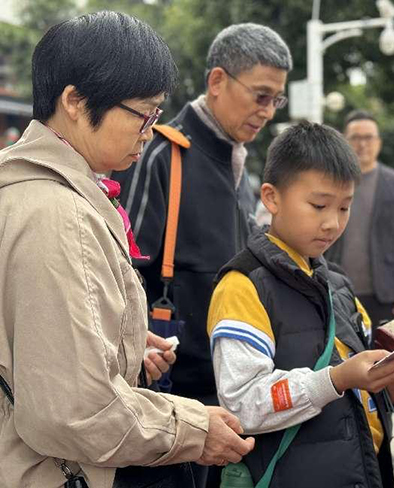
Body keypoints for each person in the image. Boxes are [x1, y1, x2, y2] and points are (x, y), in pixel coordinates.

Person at [0, 12, 253, 487]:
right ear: (75, 101)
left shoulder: (30, 192)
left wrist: (124, 344)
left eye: (157, 115)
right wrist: (193, 429)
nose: (149, 130)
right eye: (143, 113)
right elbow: (74, 411)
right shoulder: (60, 215)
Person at [208, 121, 394, 488]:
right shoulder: (242, 287)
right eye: (318, 205)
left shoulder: (338, 285)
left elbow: (369, 400)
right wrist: (336, 379)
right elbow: (242, 403)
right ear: (271, 197)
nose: (332, 223)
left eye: (345, 208)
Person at [112, 23, 292, 485]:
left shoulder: (241, 165)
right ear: (217, 81)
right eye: (260, 95)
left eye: (277, 100)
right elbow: (121, 272)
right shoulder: (159, 154)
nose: (268, 111)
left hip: (227, 401)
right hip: (168, 401)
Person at [326, 110, 394, 328]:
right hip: (336, 290)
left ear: (379, 142)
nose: (362, 144)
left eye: (369, 138)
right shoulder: (330, 181)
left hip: (384, 293)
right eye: (355, 138)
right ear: (344, 141)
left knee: (384, 356)